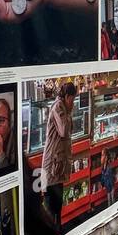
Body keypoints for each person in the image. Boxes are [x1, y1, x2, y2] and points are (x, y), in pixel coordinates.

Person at [42, 81, 76, 226]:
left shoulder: (63, 107)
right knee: (52, 206)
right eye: (72, 99)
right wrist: (68, 112)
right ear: (67, 96)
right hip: (53, 164)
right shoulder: (58, 107)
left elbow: (70, 129)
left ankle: (57, 231)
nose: (73, 102)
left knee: (57, 205)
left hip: (58, 164)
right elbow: (63, 130)